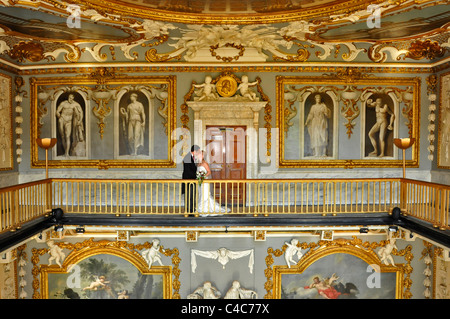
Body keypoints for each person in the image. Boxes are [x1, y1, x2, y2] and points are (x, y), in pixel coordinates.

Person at [196, 151, 230, 216]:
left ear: (203, 156)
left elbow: (209, 172)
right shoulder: (198, 163)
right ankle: (200, 208)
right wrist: (199, 177)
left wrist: (203, 176)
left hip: (204, 181)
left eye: (200, 154)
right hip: (200, 181)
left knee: (205, 194)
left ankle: (205, 209)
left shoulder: (205, 163)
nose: (198, 155)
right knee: (201, 194)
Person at [182, 145, 201, 214]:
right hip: (188, 179)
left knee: (192, 195)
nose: (198, 153)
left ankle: (191, 209)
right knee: (188, 195)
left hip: (191, 179)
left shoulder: (191, 157)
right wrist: (196, 176)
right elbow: (188, 171)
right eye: (198, 151)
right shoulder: (187, 157)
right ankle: (188, 210)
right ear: (195, 151)